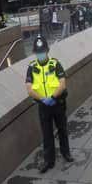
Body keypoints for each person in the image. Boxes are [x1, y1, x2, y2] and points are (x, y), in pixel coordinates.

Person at [25, 35, 72, 173]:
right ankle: (49, 161)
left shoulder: (55, 64)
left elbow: (62, 83)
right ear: (35, 53)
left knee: (62, 129)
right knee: (47, 134)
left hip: (57, 102)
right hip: (43, 106)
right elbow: (29, 89)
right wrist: (42, 99)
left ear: (47, 50)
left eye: (43, 51)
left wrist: (52, 97)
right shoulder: (32, 68)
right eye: (38, 52)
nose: (41, 54)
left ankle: (66, 153)